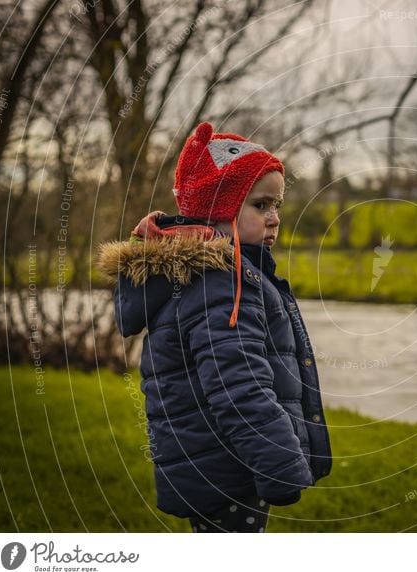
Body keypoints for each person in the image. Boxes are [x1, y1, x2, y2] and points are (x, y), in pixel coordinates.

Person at [97, 121, 332, 533]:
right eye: (260, 206)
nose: (274, 219)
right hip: (229, 467)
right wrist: (281, 462)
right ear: (217, 210)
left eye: (277, 205)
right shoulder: (220, 283)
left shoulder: (223, 275)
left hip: (221, 460)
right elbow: (236, 384)